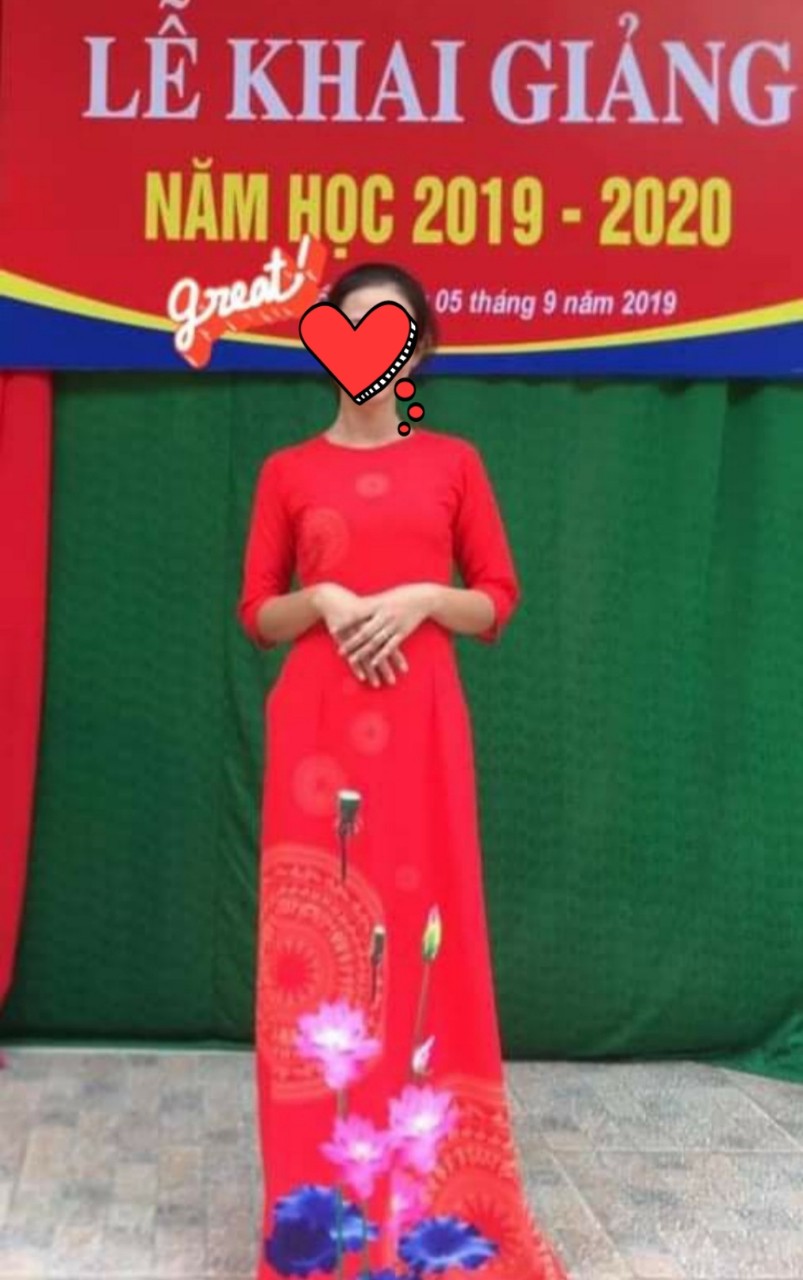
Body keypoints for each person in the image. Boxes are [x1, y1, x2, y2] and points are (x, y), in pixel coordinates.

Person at [237, 262, 569, 1280]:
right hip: (316, 738)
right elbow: (257, 613)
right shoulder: (287, 471)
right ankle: (319, 1222)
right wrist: (326, 598)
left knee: (430, 946)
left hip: (422, 732)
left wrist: (424, 594)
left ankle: (433, 1207)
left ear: (416, 349)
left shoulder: (453, 464)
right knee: (320, 970)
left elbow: (496, 597)